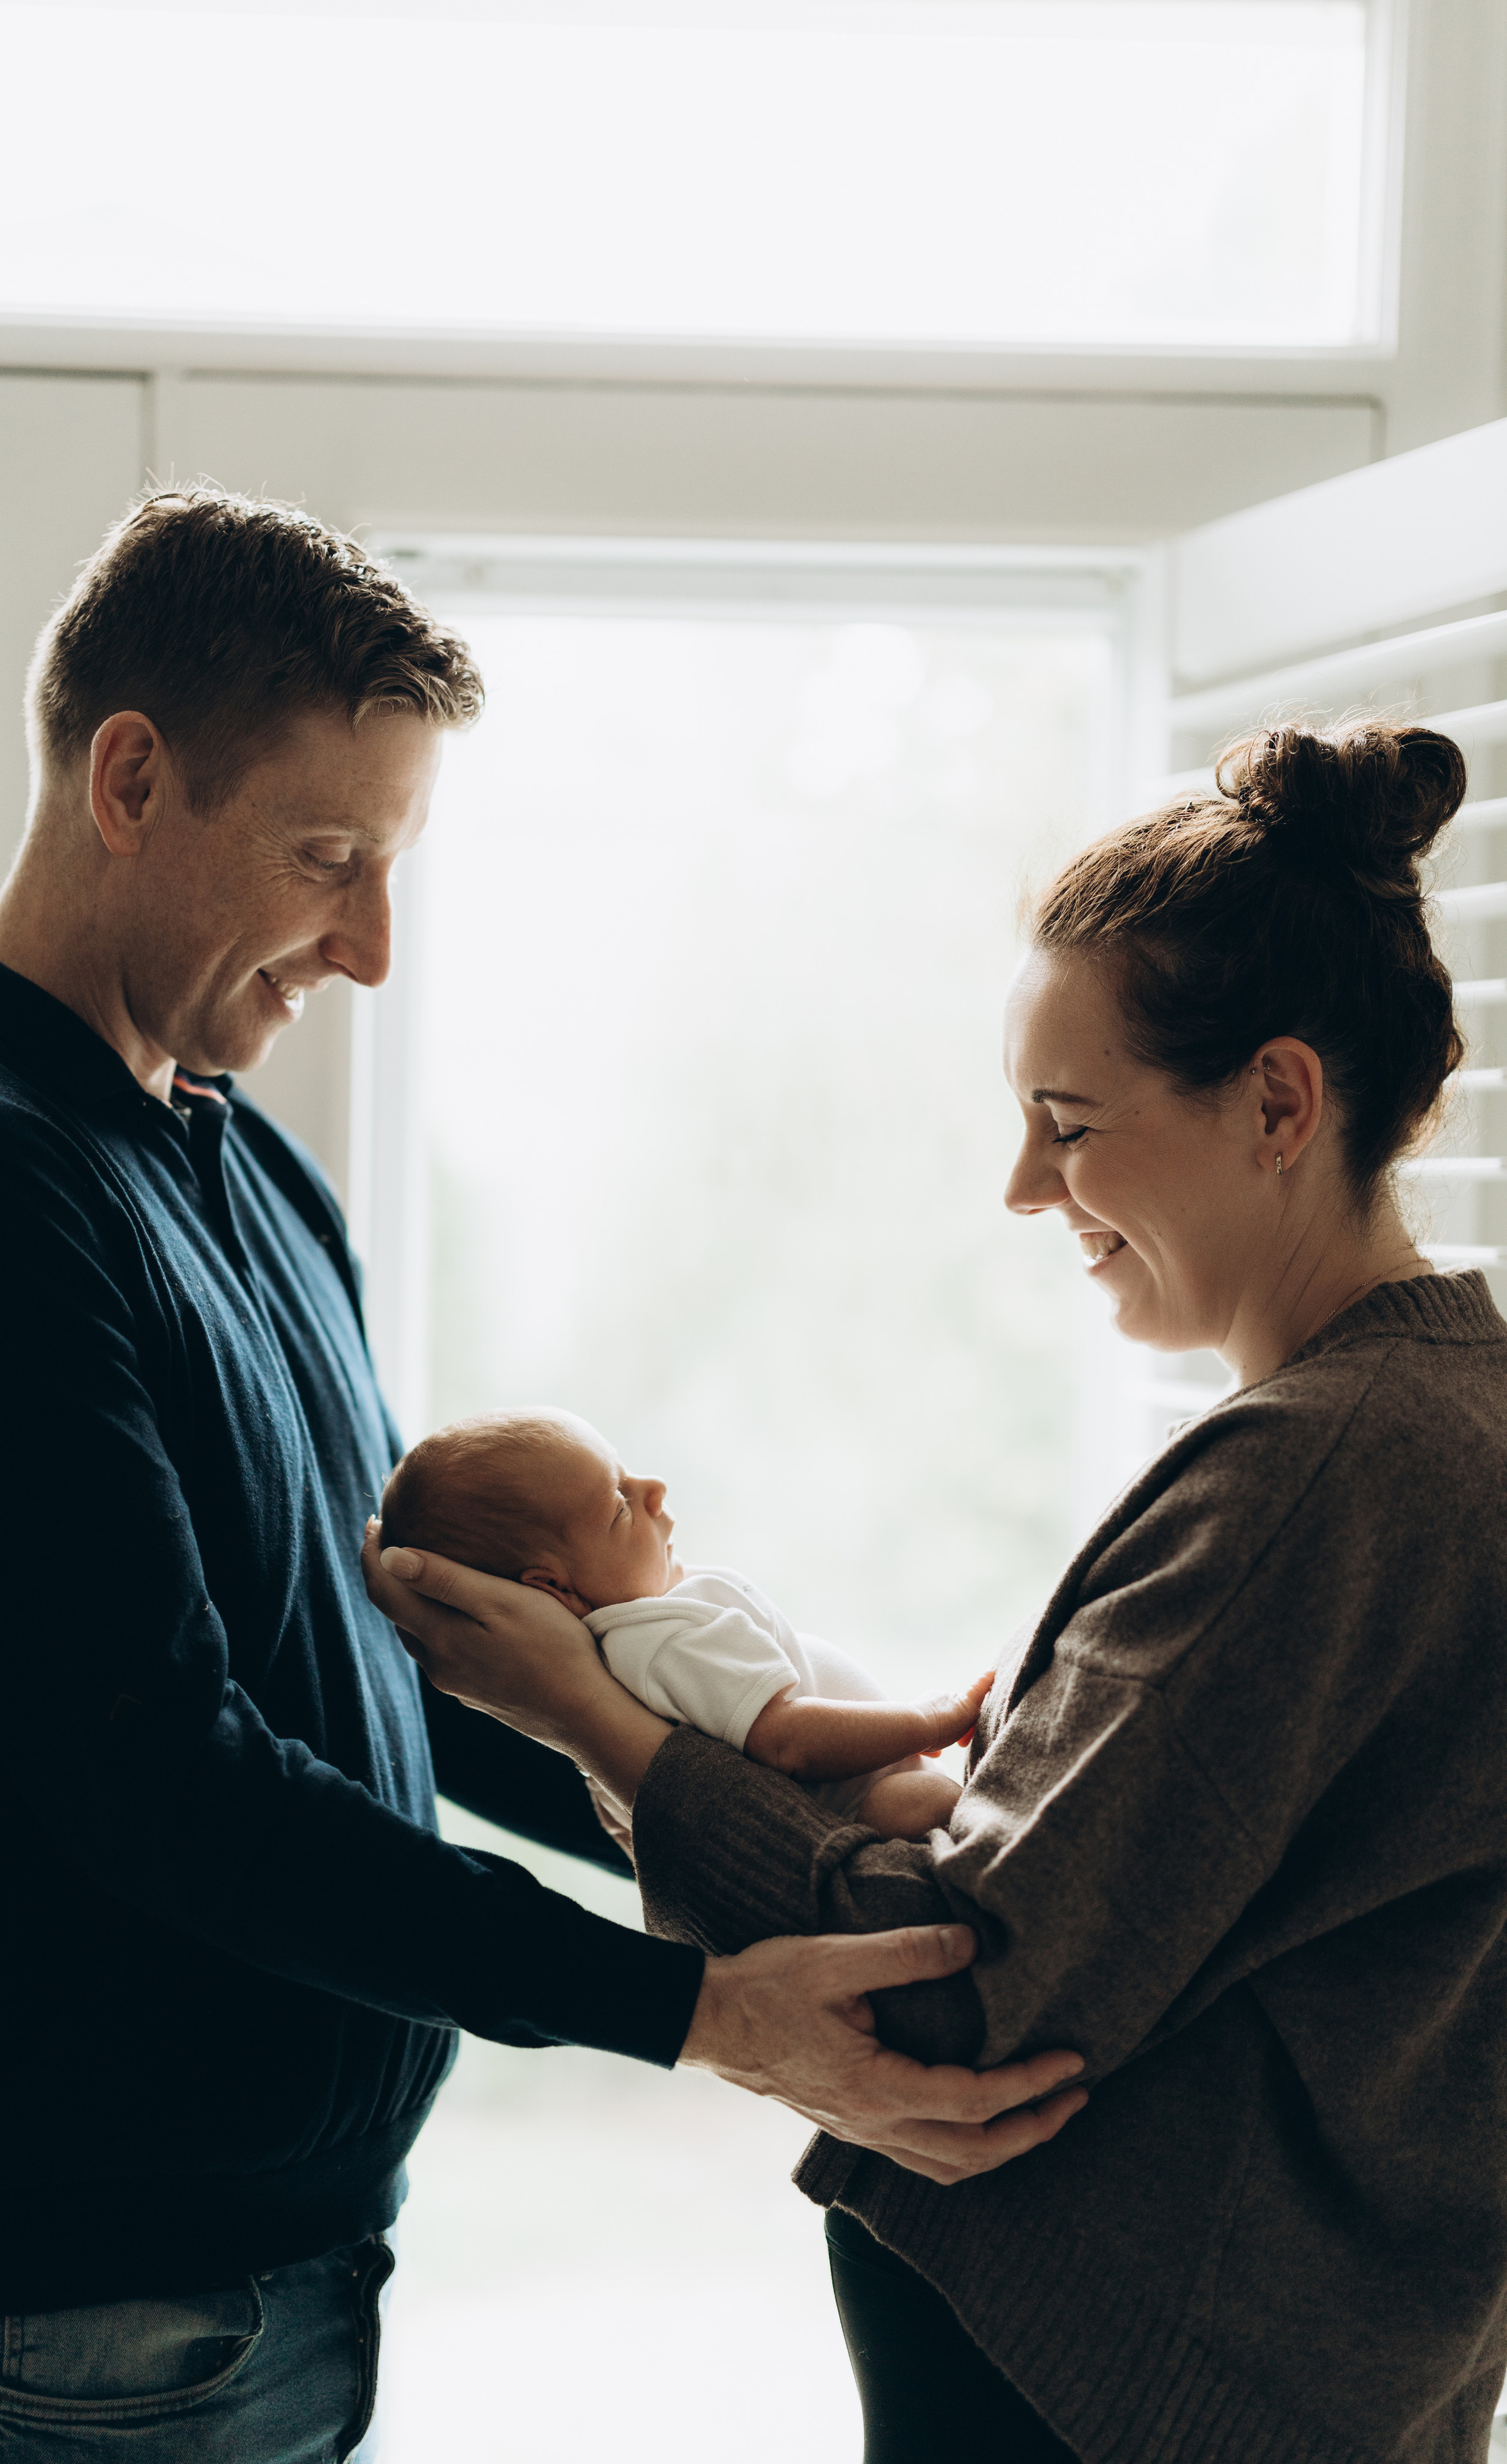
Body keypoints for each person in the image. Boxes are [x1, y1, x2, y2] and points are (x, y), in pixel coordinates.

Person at [0, 485, 1083, 2464]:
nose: (367, 943)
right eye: (327, 856)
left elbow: (399, 1668)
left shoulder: (246, 1169)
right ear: (131, 777)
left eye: (393, 863)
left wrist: (781, 1854)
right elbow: (164, 1769)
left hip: (267, 2283)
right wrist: (696, 2012)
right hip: (53, 2329)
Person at [368, 719, 1507, 2464]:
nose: (1025, 1185)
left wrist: (594, 1712)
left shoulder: (1322, 1476)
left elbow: (956, 1994)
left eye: (1068, 1122)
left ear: (1279, 1101)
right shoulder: (1439, 1420)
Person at [380, 1406, 989, 1836]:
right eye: (619, 1502)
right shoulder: (656, 1642)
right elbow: (786, 1740)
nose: (652, 1488)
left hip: (863, 1784)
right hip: (864, 1802)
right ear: (554, 1588)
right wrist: (926, 1720)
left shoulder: (643, 1637)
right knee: (935, 1803)